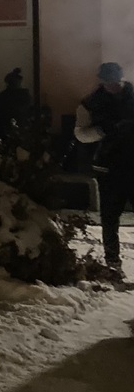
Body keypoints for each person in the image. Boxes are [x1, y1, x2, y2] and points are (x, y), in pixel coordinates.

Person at [75, 62, 134, 272]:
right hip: (108, 168)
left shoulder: (131, 96)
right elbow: (80, 134)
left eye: (115, 81)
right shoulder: (90, 104)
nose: (112, 86)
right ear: (102, 81)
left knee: (110, 217)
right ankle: (113, 263)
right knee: (110, 218)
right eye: (109, 82)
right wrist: (101, 131)